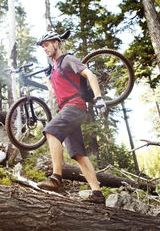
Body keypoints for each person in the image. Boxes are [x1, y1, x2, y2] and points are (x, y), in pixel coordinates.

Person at [36, 31, 107, 204]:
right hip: (66, 109)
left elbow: (89, 74)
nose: (45, 48)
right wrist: (48, 78)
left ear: (56, 43)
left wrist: (98, 98)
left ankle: (55, 178)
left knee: (51, 132)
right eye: (43, 46)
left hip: (75, 106)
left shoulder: (67, 60)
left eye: (47, 45)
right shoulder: (54, 69)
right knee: (78, 154)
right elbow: (53, 95)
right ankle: (97, 193)